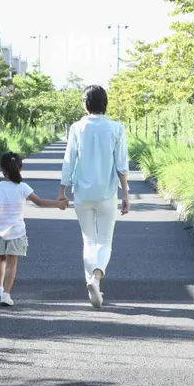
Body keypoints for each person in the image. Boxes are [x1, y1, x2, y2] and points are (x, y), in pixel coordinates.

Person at [59, 85, 129, 309]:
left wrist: (62, 189)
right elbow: (121, 164)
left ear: (86, 104)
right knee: (105, 241)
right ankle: (95, 278)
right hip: (107, 192)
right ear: (105, 103)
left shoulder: (77, 128)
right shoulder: (116, 128)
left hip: (82, 192)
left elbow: (69, 160)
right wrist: (126, 193)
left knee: (88, 240)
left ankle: (92, 281)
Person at [0, 152, 68, 306]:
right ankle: (6, 294)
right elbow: (39, 202)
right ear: (21, 169)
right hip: (16, 231)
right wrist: (58, 204)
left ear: (1, 169)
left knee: (1, 259)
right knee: (12, 262)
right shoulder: (23, 187)